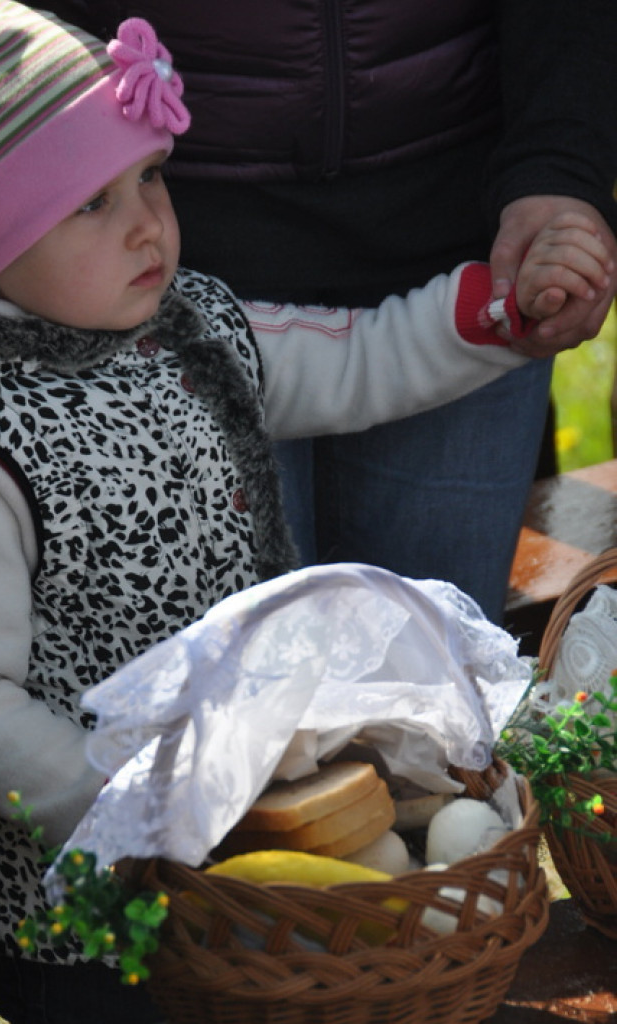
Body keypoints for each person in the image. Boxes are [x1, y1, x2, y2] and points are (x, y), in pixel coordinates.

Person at [0, 2, 609, 1022]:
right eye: (90, 204)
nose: (145, 222)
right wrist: (149, 809)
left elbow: (349, 359)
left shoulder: (189, 328)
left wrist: (484, 320)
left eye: (150, 177)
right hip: (78, 911)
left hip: (227, 867)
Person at [66, 0, 617, 625]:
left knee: (435, 670)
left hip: (460, 226)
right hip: (162, 276)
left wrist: (559, 172)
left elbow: (360, 362)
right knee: (232, 684)